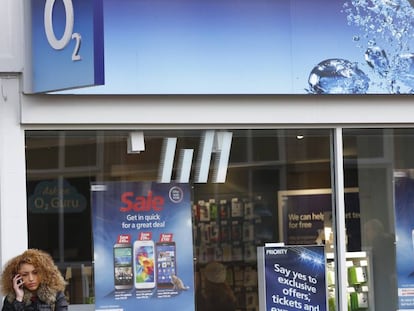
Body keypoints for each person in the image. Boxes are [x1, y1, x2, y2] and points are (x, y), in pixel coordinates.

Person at [0, 249, 68, 311]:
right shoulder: (11, 299)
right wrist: (18, 300)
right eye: (25, 274)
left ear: (44, 273)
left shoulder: (56, 295)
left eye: (35, 273)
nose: (31, 279)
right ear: (16, 277)